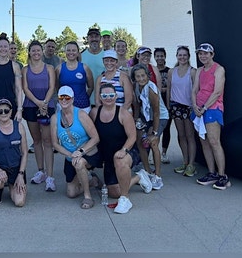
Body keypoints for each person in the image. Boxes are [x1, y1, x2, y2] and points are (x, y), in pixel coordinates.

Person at [90, 83, 154, 214]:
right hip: (107, 155)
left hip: (127, 151)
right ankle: (139, 177)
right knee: (114, 192)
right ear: (100, 97)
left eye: (111, 95)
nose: (108, 98)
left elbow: (132, 137)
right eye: (104, 96)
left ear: (116, 96)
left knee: (119, 160)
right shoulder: (94, 112)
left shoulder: (124, 114)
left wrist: (123, 150)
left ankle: (125, 199)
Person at [50, 86, 102, 208]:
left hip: (87, 152)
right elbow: (55, 144)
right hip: (71, 156)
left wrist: (81, 151)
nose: (64, 100)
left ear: (72, 99)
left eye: (67, 97)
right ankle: (92, 181)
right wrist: (70, 154)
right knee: (71, 193)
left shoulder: (81, 115)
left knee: (79, 163)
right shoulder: (55, 118)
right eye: (61, 97)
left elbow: (95, 138)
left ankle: (87, 197)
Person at [191, 43, 229, 190]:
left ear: (212, 54)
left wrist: (205, 107)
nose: (203, 56)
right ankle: (211, 173)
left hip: (213, 109)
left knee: (214, 141)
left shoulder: (219, 69)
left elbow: (217, 91)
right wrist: (195, 105)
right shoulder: (199, 70)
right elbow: (195, 89)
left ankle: (222, 176)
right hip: (199, 109)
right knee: (204, 142)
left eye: (206, 53)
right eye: (200, 53)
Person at [22, 40, 57, 191]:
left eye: (38, 50)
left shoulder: (49, 68)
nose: (36, 53)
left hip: (47, 107)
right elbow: (25, 88)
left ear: (42, 52)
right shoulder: (25, 69)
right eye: (33, 50)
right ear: (29, 52)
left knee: (48, 141)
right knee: (36, 141)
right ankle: (41, 171)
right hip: (31, 106)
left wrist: (44, 103)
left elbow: (52, 87)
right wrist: (37, 103)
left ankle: (50, 177)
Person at [0, 98, 29, 206]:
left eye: (6, 110)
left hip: (15, 168)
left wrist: (21, 174)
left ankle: (12, 185)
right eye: (0, 111)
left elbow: (25, 153)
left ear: (11, 111)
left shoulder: (19, 126)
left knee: (19, 202)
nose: (3, 113)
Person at [132, 63, 169, 191]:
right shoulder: (136, 86)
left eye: (143, 75)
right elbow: (137, 105)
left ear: (147, 75)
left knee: (153, 142)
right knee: (140, 141)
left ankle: (157, 176)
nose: (141, 78)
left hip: (159, 117)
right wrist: (136, 120)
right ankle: (148, 171)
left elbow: (157, 112)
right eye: (138, 76)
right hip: (146, 116)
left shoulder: (151, 89)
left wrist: (154, 132)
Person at [167, 45, 198, 177]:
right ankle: (185, 162)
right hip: (176, 106)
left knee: (190, 135)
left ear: (188, 56)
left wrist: (195, 106)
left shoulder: (193, 71)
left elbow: (196, 90)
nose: (182, 57)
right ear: (176, 56)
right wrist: (168, 105)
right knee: (181, 135)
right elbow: (169, 88)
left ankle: (191, 164)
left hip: (189, 107)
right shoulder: (171, 71)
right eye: (180, 55)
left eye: (185, 55)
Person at [56, 41, 94, 113]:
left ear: (78, 52)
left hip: (82, 105)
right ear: (65, 52)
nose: (71, 52)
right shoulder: (59, 69)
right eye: (68, 50)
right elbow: (57, 87)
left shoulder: (84, 68)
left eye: (73, 50)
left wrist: (83, 97)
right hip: (64, 106)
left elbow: (91, 87)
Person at [154, 47, 172, 164]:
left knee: (166, 129)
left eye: (162, 56)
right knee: (155, 128)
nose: (160, 58)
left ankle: (164, 153)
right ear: (154, 57)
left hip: (167, 102)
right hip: (156, 102)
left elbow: (172, 87)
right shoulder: (152, 70)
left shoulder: (169, 71)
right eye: (157, 56)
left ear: (165, 57)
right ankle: (155, 152)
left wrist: (163, 89)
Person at [80, 27, 105, 107]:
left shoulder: (106, 55)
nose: (94, 39)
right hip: (85, 99)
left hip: (104, 100)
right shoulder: (80, 56)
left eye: (96, 36)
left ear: (100, 38)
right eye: (91, 37)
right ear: (87, 39)